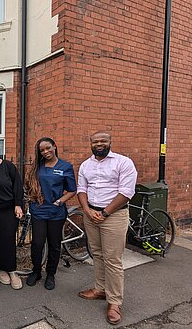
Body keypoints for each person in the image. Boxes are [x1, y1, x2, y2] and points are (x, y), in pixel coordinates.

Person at [77, 131, 137, 325]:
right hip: (91, 214)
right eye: (96, 141)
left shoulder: (123, 162)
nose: (99, 144)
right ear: (91, 143)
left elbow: (126, 192)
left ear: (110, 142)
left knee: (113, 259)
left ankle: (114, 302)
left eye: (103, 141)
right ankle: (100, 289)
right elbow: (81, 189)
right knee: (97, 253)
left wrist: (105, 213)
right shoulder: (86, 165)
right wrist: (86, 210)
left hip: (114, 215)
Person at [24, 137, 76, 290]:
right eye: (42, 150)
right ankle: (36, 271)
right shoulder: (37, 167)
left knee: (54, 245)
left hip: (56, 212)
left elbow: (72, 190)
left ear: (54, 146)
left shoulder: (65, 167)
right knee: (37, 243)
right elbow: (29, 185)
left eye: (48, 148)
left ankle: (51, 274)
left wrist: (59, 201)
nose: (46, 152)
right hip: (38, 211)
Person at [0, 140, 24, 290]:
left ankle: (12, 271)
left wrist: (18, 204)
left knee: (8, 239)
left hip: (9, 209)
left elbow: (18, 186)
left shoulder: (8, 166)